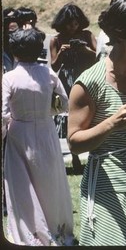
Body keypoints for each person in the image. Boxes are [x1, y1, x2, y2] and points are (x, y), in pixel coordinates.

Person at [66, 0, 126, 245]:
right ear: (120, 33)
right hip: (105, 184)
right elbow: (75, 142)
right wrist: (112, 123)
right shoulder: (89, 82)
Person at [2, 28, 75, 245]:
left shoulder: (9, 78)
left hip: (19, 134)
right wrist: (46, 113)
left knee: (21, 186)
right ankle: (57, 230)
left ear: (15, 52)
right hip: (46, 131)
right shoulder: (48, 73)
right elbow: (63, 102)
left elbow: (3, 114)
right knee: (50, 183)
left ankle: (32, 233)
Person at [50, 2, 97, 173]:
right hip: (67, 81)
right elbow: (54, 66)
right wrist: (62, 52)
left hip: (86, 78)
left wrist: (83, 48)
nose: (73, 26)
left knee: (91, 114)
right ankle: (75, 157)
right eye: (70, 23)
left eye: (76, 23)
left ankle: (93, 154)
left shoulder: (87, 35)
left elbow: (96, 57)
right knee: (70, 118)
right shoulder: (56, 39)